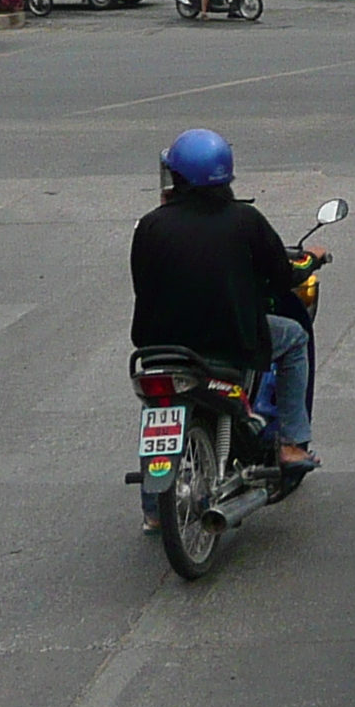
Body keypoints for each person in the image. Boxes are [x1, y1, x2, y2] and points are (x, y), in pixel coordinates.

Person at [129, 129, 323, 501]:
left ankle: (154, 508)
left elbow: (143, 284)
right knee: (294, 337)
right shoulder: (245, 220)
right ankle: (292, 442)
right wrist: (312, 257)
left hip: (158, 348)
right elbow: (285, 276)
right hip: (228, 342)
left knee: (158, 411)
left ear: (178, 177)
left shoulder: (150, 225)